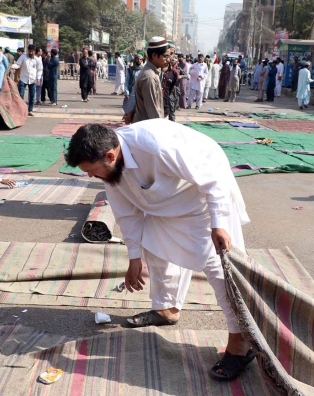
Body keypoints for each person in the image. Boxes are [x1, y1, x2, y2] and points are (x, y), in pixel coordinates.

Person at [65, 119, 254, 381]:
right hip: (162, 198)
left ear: (111, 155)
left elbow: (212, 181)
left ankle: (241, 343)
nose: (90, 176)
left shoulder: (157, 147)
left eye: (92, 171)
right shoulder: (110, 165)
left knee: (218, 268)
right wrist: (134, 259)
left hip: (200, 195)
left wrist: (219, 223)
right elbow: (127, 216)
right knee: (154, 248)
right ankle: (167, 309)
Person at [124, 37, 167, 124]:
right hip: (147, 129)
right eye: (165, 56)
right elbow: (153, 111)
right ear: (154, 55)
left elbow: (144, 102)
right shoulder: (149, 77)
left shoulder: (153, 73)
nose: (168, 59)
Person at [14, 44, 39, 115]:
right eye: (29, 51)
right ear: (28, 51)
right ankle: (21, 110)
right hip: (23, 78)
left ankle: (30, 110)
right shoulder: (23, 57)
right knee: (21, 95)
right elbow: (18, 64)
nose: (31, 53)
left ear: (34, 51)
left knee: (32, 96)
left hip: (33, 79)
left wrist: (38, 78)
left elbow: (39, 69)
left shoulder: (37, 59)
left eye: (32, 51)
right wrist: (13, 66)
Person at [162, 47, 179, 121]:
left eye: (172, 54)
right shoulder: (156, 70)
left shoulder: (174, 72)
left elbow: (171, 88)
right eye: (167, 54)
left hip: (166, 103)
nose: (170, 56)